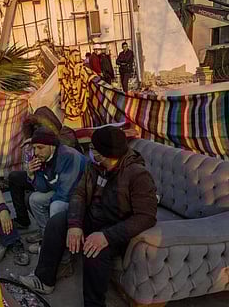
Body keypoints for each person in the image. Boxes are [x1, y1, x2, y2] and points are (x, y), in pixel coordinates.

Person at [19, 126, 157, 307]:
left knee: (94, 249)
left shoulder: (138, 175)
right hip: (93, 217)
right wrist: (75, 224)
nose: (89, 152)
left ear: (105, 153)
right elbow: (79, 194)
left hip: (115, 227)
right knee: (57, 222)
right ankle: (44, 280)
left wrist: (106, 236)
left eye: (93, 149)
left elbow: (146, 217)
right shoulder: (95, 167)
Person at [9, 127, 86, 252]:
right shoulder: (43, 158)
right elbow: (43, 188)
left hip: (78, 197)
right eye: (34, 148)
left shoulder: (69, 157)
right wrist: (31, 175)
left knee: (55, 206)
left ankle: (54, 243)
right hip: (60, 192)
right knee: (34, 199)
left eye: (40, 147)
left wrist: (48, 208)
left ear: (52, 146)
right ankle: (46, 237)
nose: (36, 152)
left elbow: (65, 194)